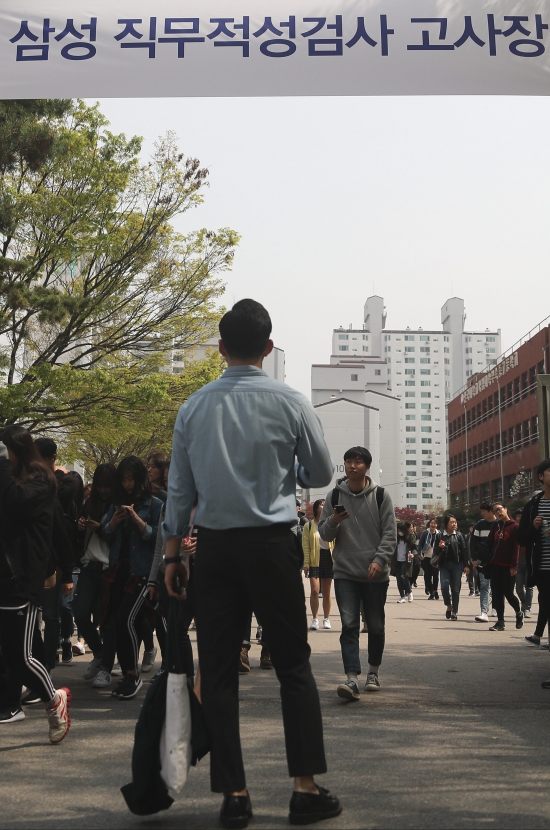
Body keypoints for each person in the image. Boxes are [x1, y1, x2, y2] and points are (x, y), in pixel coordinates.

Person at [163, 299, 341, 828]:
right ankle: (304, 789)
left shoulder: (193, 407)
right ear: (268, 347)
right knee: (293, 665)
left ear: (220, 347)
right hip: (271, 545)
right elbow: (320, 471)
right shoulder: (291, 401)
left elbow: (179, 490)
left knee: (217, 669)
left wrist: (173, 554)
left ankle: (235, 794)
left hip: (214, 547)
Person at [0, 426, 71, 741]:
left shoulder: (41, 481)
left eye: (6, 452)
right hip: (4, 576)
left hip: (21, 580)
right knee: (10, 654)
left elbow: (14, 502)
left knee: (21, 656)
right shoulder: (12, 480)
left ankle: (54, 700)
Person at [318, 447, 397, 701]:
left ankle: (373, 672)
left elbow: (390, 534)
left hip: (375, 573)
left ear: (367, 467)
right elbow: (324, 535)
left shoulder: (382, 496)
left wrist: (379, 560)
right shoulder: (333, 495)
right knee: (349, 625)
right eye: (348, 461)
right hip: (345, 573)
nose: (352, 466)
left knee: (375, 625)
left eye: (358, 462)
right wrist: (334, 521)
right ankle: (351, 678)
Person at [99, 456, 162, 699]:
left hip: (143, 573)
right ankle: (128, 675)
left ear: (140, 479)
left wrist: (137, 520)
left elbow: (157, 538)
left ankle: (133, 675)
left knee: (126, 619)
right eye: (123, 480)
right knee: (117, 623)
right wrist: (114, 522)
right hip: (119, 571)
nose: (127, 484)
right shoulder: (117, 504)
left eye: (130, 479)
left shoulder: (155, 504)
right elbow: (106, 533)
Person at [74, 463, 117, 682]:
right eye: (99, 485)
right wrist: (81, 526)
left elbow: (115, 537)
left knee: (107, 618)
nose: (102, 490)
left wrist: (99, 527)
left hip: (109, 568)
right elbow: (77, 536)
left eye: (107, 486)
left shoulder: (119, 506)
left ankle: (106, 666)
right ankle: (99, 653)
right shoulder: (88, 504)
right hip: (89, 566)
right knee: (80, 613)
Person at [517, 459, 550, 686]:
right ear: (541, 477)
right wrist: (534, 527)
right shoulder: (534, 504)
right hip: (544, 570)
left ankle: (538, 635)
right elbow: (522, 538)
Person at [487, 503, 522, 632]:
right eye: (495, 511)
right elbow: (490, 542)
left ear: (506, 509)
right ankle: (500, 622)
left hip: (508, 566)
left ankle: (519, 612)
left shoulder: (515, 527)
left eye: (500, 509)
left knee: (508, 593)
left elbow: (516, 548)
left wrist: (514, 565)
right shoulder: (496, 525)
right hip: (495, 564)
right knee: (497, 594)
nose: (498, 512)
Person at [303, 499, 334, 630]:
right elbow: (305, 546)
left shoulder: (331, 524)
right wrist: (306, 563)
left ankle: (326, 618)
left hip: (328, 557)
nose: (324, 506)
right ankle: (315, 619)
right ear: (316, 508)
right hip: (315, 559)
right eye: (322, 504)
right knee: (315, 590)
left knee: (326, 592)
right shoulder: (309, 526)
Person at [438, 515, 469, 621]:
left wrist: (466, 565)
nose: (454, 524)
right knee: (444, 586)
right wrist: (440, 547)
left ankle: (454, 612)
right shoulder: (440, 535)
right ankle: (448, 605)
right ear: (446, 523)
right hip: (444, 565)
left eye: (455, 522)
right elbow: (435, 552)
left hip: (457, 565)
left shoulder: (460, 535)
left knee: (455, 590)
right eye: (451, 522)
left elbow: (464, 551)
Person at [470, 502, 496, 623]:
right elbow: (473, 542)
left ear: (491, 511)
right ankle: (483, 612)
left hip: (497, 559)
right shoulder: (480, 525)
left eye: (484, 511)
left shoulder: (499, 524)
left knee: (497, 586)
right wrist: (474, 559)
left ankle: (496, 607)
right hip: (482, 559)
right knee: (484, 585)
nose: (482, 513)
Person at [514, 508, 533, 618]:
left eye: (521, 516)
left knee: (529, 586)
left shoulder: (531, 528)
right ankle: (524, 602)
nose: (520, 518)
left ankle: (527, 608)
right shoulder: (516, 529)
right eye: (518, 516)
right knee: (519, 588)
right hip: (518, 561)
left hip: (529, 560)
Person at [391, 522, 416, 604]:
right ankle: (402, 596)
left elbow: (414, 548)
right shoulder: (395, 538)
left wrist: (413, 554)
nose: (399, 532)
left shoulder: (410, 537)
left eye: (400, 530)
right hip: (397, 560)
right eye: (398, 530)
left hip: (405, 560)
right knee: (398, 578)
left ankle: (409, 592)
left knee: (403, 576)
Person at [418, 518, 441, 600]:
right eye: (432, 523)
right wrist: (419, 553)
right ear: (429, 524)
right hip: (426, 556)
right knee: (427, 576)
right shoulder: (425, 533)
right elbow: (420, 543)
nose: (433, 525)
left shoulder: (439, 533)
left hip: (435, 557)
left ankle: (435, 591)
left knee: (435, 575)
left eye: (435, 523)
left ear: (437, 525)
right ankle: (431, 592)